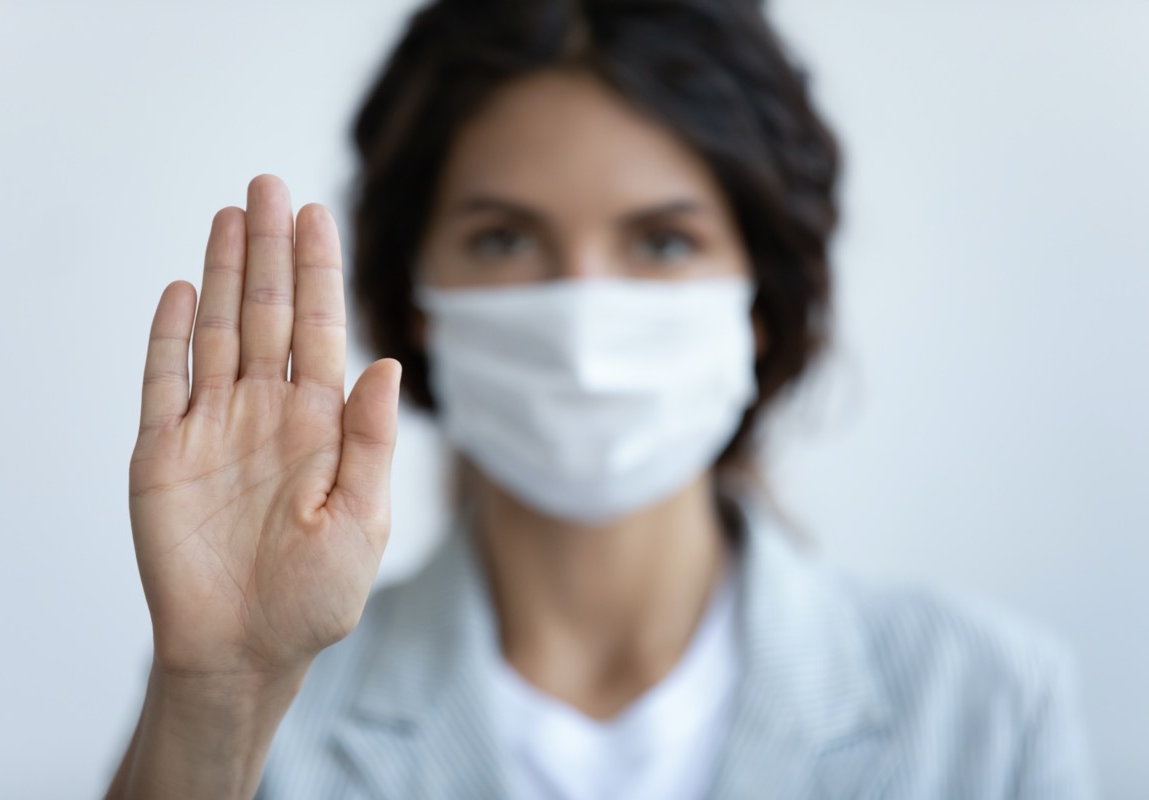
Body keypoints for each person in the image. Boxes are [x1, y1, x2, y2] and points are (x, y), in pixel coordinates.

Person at [106, 1, 1096, 798]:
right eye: (504, 239)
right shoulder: (261, 715)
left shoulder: (987, 706)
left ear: (763, 299)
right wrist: (219, 693)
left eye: (663, 242)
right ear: (418, 298)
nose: (584, 309)